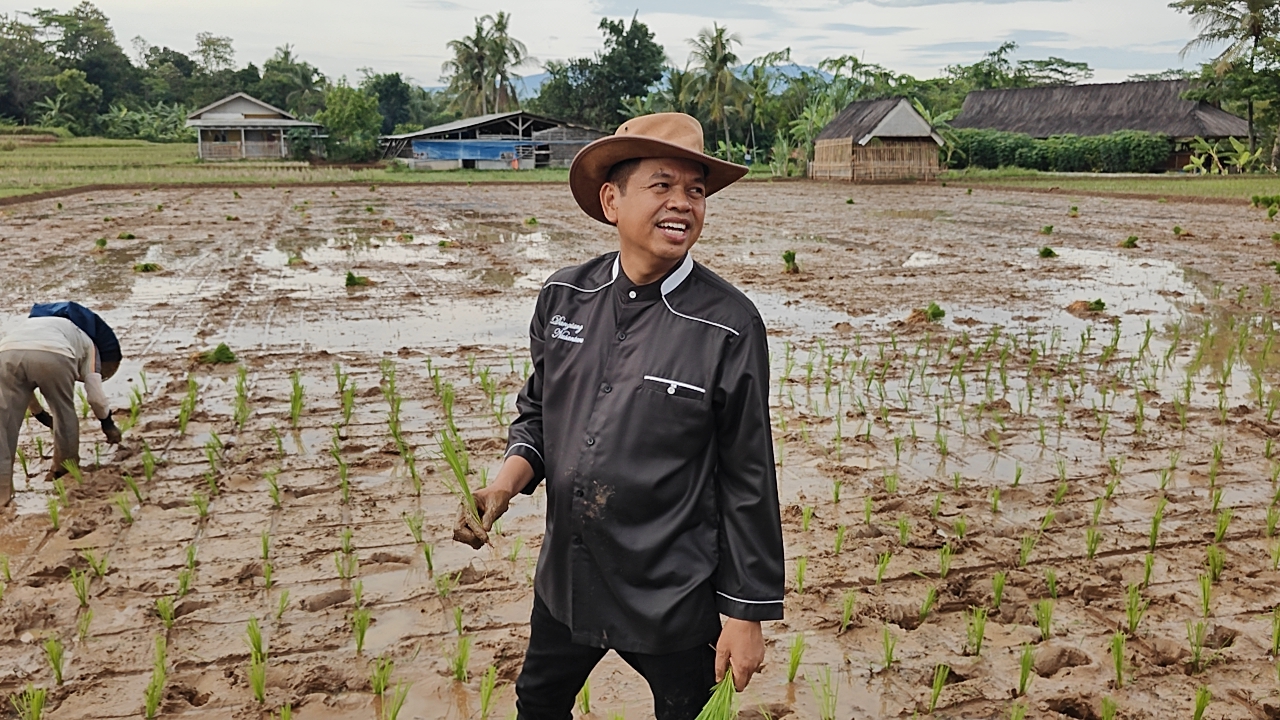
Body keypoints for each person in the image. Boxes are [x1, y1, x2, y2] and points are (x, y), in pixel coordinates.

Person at [454, 113, 784, 719]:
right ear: (612, 200)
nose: (682, 204)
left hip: (671, 592)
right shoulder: (563, 298)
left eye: (696, 190)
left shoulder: (727, 325)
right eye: (662, 186)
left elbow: (748, 477)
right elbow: (539, 415)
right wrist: (505, 483)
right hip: (569, 579)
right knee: (538, 704)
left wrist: (745, 613)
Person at [0, 302, 123, 506]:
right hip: (54, 354)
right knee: (63, 411)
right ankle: (63, 471)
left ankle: (2, 493)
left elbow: (25, 388)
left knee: (3, 424)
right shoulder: (89, 343)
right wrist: (107, 424)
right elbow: (95, 395)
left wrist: (40, 415)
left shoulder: (35, 325)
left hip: (5, 353)